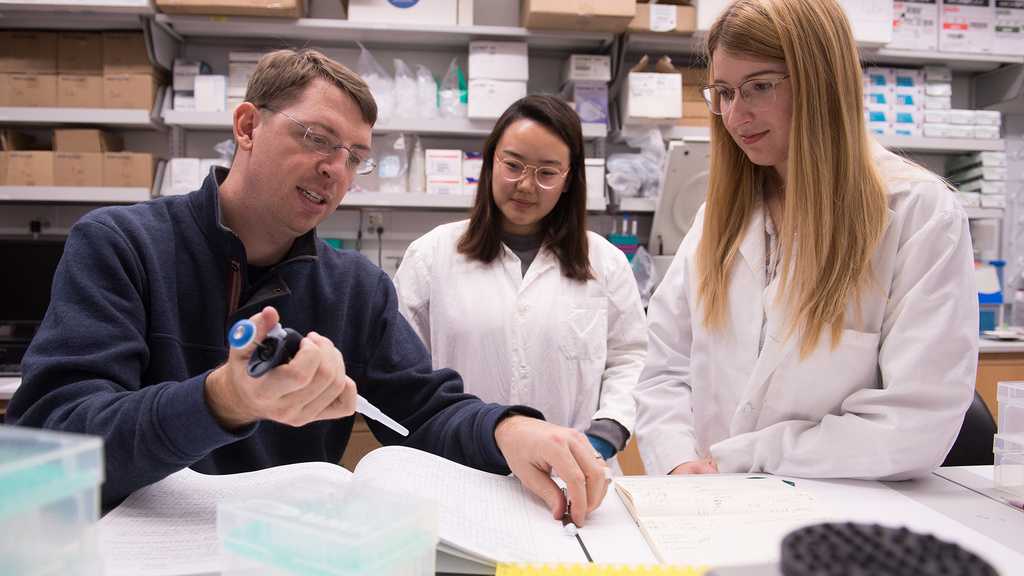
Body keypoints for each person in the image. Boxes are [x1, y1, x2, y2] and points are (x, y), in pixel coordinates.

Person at [6, 48, 609, 525]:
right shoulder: (121, 245)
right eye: (317, 138)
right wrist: (223, 399)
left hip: (284, 552)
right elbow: (59, 437)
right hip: (138, 551)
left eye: (355, 156)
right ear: (246, 125)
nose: (336, 169)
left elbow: (423, 411)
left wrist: (510, 429)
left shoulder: (357, 289)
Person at [632, 0, 978, 481]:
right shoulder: (718, 220)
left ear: (822, 81)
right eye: (725, 92)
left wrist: (744, 458)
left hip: (840, 518)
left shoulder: (917, 214)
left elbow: (915, 422)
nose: (735, 115)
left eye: (760, 87)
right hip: (709, 507)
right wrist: (677, 461)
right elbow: (665, 368)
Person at [393, 94, 648, 473]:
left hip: (574, 472)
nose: (526, 185)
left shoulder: (605, 262)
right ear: (491, 162)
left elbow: (630, 357)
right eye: (513, 165)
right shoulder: (430, 255)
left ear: (568, 180)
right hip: (461, 472)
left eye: (546, 172)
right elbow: (403, 371)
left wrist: (605, 432)